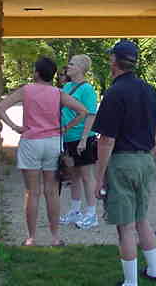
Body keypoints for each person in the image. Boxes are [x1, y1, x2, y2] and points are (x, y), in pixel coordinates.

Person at [0, 57, 88, 247]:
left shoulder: (26, 90)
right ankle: (55, 237)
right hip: (52, 143)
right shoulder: (58, 93)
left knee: (32, 192)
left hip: (31, 142)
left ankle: (31, 238)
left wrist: (15, 127)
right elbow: (83, 111)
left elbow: (0, 108)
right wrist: (66, 128)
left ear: (36, 73)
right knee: (52, 192)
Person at [93, 40, 156, 285]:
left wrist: (99, 177)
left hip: (122, 162)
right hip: (145, 160)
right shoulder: (149, 90)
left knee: (125, 226)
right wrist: (148, 154)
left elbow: (106, 140)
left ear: (114, 60)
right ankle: (154, 271)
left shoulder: (114, 93)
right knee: (142, 219)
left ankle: (131, 282)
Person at [58, 54, 99, 230]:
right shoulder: (66, 86)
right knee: (74, 175)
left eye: (72, 64)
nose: (68, 66)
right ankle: (75, 211)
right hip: (68, 137)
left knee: (87, 176)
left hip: (83, 137)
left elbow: (90, 115)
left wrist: (83, 139)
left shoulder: (87, 89)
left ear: (81, 68)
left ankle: (91, 213)